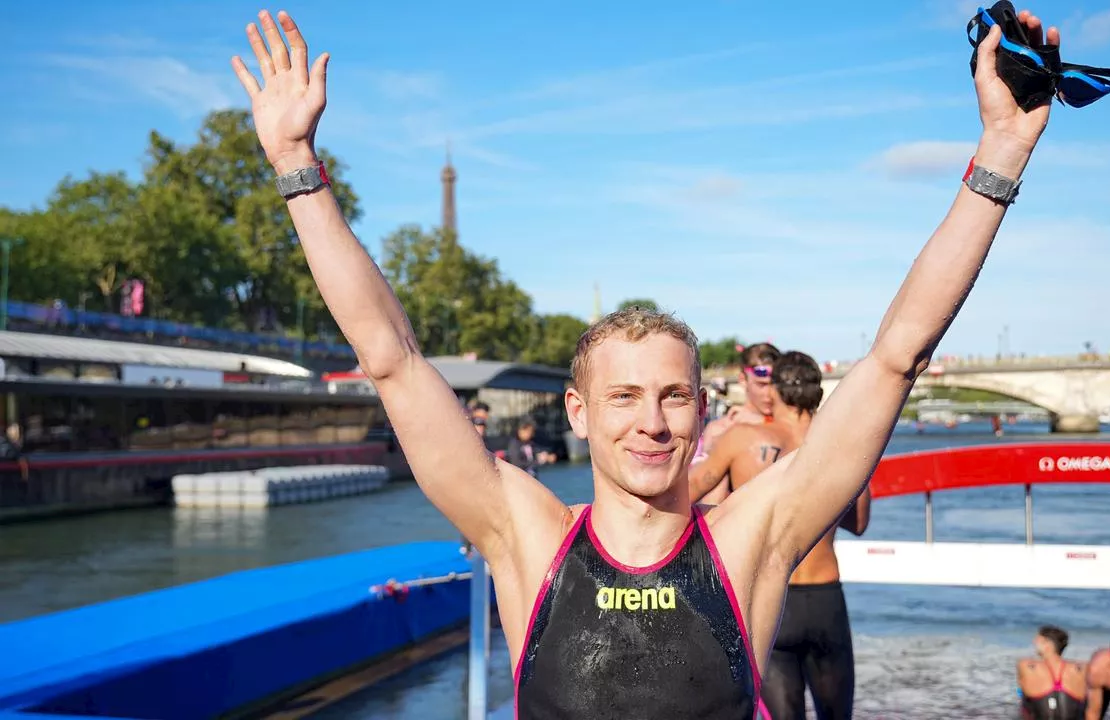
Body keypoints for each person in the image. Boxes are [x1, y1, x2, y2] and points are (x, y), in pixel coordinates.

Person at [230, 7, 1059, 717]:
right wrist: (296, 167)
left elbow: (894, 359)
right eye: (623, 396)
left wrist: (1001, 154)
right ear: (579, 412)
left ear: (703, 409)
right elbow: (392, 359)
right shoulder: (524, 537)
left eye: (673, 396)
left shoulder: (752, 540)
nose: (652, 422)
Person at [689, 350, 871, 719]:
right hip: (825, 599)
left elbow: (687, 495)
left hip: (769, 596)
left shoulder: (742, 439)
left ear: (774, 392)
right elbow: (859, 521)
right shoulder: (843, 445)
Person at [691, 342, 780, 504]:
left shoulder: (789, 425)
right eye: (761, 385)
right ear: (743, 380)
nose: (769, 394)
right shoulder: (721, 428)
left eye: (774, 385)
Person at [1018, 625, 1086, 720]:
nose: (1034, 642)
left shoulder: (1026, 666)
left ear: (1048, 644)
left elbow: (1024, 704)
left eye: (1038, 640)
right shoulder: (1081, 669)